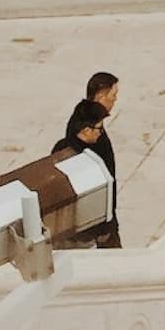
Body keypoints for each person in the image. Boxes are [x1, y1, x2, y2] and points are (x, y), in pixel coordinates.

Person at [51, 98, 115, 248]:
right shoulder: (80, 157)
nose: (101, 132)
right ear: (87, 130)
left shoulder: (62, 146)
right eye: (99, 128)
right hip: (82, 235)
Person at [83, 71, 121, 247]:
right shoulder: (90, 132)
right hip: (101, 222)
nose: (115, 101)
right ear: (100, 96)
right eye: (113, 96)